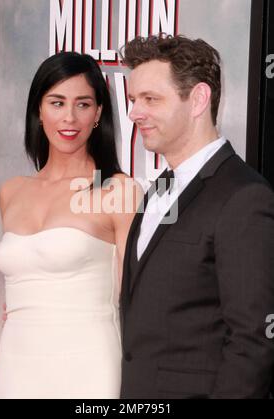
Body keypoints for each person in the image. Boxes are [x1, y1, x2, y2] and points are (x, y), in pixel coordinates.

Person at [119, 34, 274, 399]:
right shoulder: (158, 189)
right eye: (132, 100)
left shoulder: (244, 196)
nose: (133, 113)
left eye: (150, 99)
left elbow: (253, 343)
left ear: (199, 100)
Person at [0, 52, 141, 399]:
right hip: (15, 367)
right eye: (57, 102)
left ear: (99, 113)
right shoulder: (11, 192)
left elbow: (135, 300)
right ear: (38, 110)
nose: (70, 117)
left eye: (83, 104)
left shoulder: (119, 190)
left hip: (88, 369)